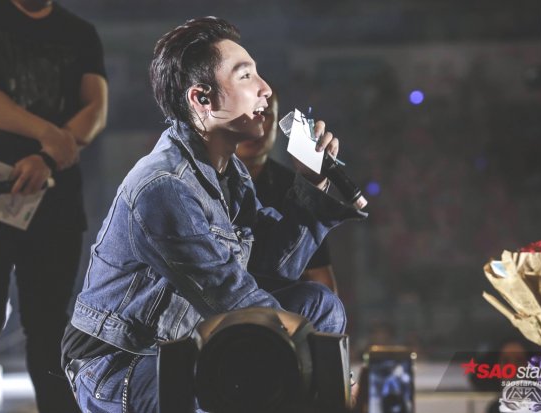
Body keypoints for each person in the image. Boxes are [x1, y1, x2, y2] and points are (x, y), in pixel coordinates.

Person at [61, 16, 365, 412]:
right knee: (241, 375)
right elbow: (235, 300)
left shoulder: (229, 173)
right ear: (201, 99)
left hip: (181, 343)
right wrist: (328, 370)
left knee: (318, 304)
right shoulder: (164, 187)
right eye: (246, 76)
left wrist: (312, 182)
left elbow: (274, 266)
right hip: (122, 364)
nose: (265, 89)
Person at [0, 0, 108, 411]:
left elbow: (96, 109)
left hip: (54, 191)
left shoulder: (79, 32)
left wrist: (47, 157)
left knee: (50, 325)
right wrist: (48, 134)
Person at [236, 91, 338, 292]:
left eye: (264, 113)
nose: (255, 123)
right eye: (246, 113)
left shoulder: (296, 188)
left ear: (278, 122)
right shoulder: (198, 183)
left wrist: (313, 183)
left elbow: (320, 276)